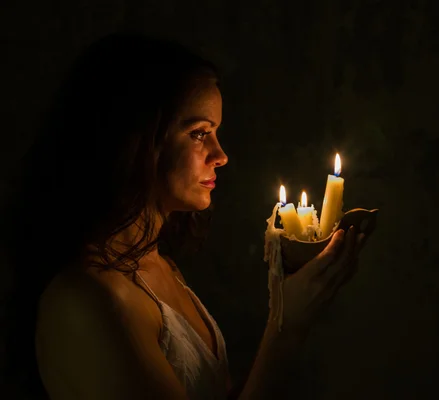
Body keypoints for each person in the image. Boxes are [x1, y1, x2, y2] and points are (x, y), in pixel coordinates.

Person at [1, 33, 365, 400]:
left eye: (215, 133)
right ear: (135, 140)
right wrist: (285, 326)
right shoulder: (86, 299)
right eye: (198, 133)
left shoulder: (158, 268)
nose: (220, 155)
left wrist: (292, 312)